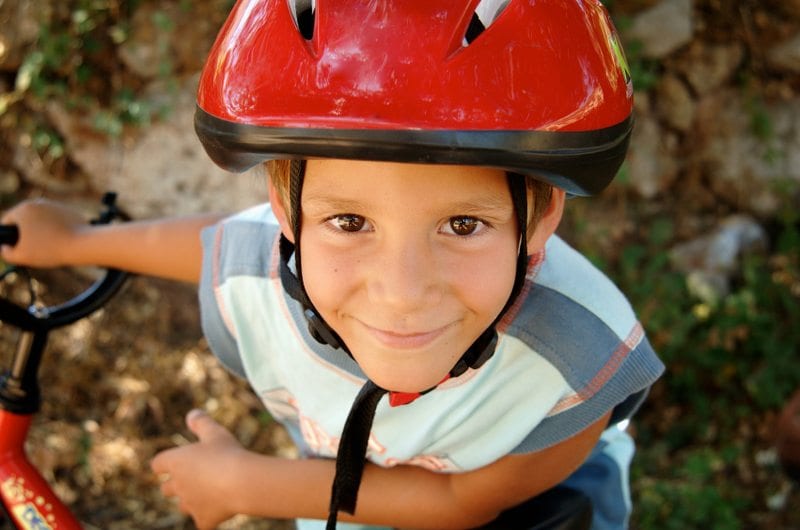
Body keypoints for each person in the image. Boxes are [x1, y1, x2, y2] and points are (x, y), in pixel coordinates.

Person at [1, 1, 665, 529]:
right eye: (349, 223)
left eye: (463, 225)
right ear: (286, 213)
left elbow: (463, 502)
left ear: (541, 216)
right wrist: (73, 240)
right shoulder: (260, 262)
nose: (401, 293)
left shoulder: (576, 361)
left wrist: (246, 484)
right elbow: (218, 248)